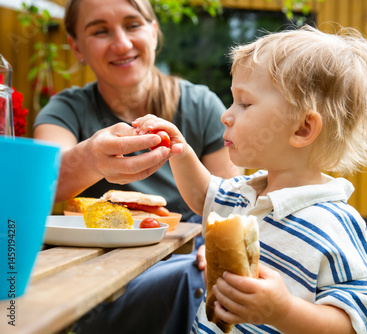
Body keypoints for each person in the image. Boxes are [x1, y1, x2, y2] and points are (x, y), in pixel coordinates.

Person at [133, 25, 367, 334]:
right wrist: (179, 151)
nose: (226, 115)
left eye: (244, 104)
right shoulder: (247, 192)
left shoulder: (335, 222)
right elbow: (202, 194)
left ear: (301, 129)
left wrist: (282, 311)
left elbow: (354, 324)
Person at [33, 0, 240, 333]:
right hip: (101, 289)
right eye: (100, 30)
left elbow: (233, 205)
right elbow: (38, 183)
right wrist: (90, 158)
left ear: (154, 31)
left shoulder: (200, 105)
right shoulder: (66, 109)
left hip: (190, 272)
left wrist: (214, 256)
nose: (122, 44)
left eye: (132, 25)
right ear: (76, 46)